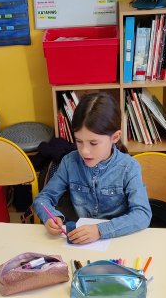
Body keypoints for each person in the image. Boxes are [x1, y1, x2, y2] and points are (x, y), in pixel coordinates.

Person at [32, 92, 152, 245]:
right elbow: (43, 199)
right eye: (79, 141)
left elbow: (142, 214)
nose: (84, 151)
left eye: (93, 143)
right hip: (79, 242)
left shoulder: (129, 167)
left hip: (118, 241)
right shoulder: (69, 162)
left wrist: (100, 230)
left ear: (115, 137)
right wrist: (50, 217)